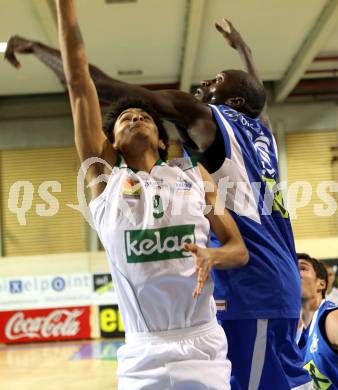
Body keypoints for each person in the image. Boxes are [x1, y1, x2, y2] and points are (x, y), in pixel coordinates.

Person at [5, 18, 310, 389]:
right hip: (256, 290)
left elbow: (95, 82)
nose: (201, 87)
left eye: (213, 83)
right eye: (125, 119)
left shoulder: (200, 132)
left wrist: (38, 48)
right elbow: (258, 96)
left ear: (233, 102)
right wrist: (244, 50)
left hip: (251, 290)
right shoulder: (261, 132)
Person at [55, 1, 249, 389]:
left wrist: (214, 254)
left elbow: (238, 249)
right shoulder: (103, 180)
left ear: (162, 139)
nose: (135, 118)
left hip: (203, 342)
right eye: (125, 119)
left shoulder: (195, 176)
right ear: (111, 143)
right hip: (143, 349)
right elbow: (78, 82)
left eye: (144, 116)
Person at [298, 254, 338, 389]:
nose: (295, 273)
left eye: (302, 268)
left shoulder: (334, 317)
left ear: (321, 284)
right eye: (291, 270)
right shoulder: (291, 334)